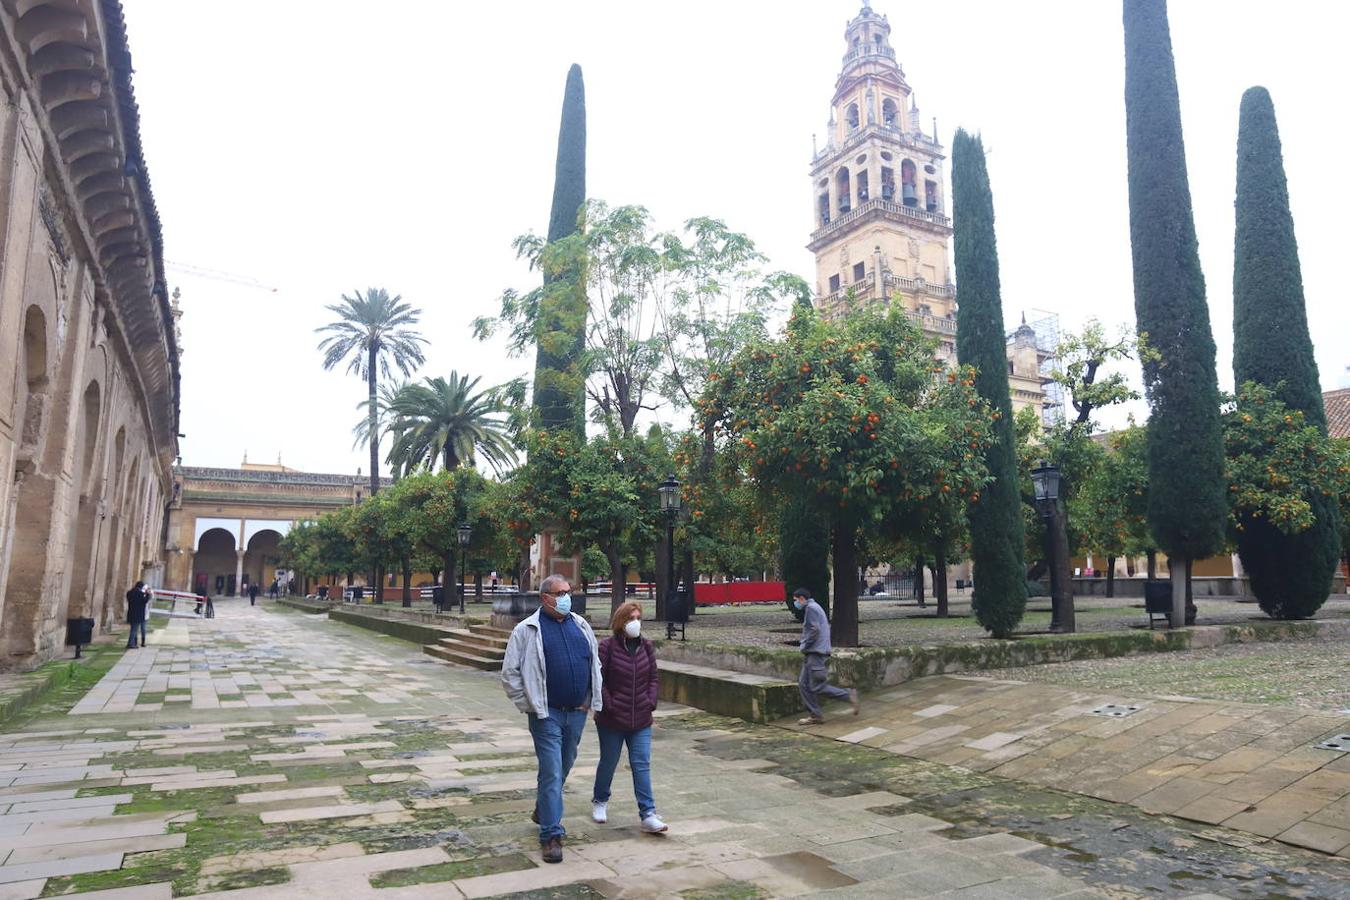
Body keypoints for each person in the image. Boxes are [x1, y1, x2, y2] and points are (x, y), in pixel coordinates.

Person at [500, 575, 603, 865]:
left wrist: (588, 701)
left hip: (577, 713)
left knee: (563, 766)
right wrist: (530, 704)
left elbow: (594, 663)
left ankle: (543, 808)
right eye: (561, 593)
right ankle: (551, 835)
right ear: (545, 597)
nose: (566, 597)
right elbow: (510, 674)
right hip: (547, 714)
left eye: (569, 592)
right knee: (552, 771)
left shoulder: (580, 625)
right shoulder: (526, 630)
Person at [592, 601, 667, 834]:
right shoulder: (607, 647)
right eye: (630, 618)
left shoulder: (646, 646)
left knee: (641, 764)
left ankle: (648, 813)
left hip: (641, 718)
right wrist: (610, 704)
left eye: (638, 617)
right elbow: (598, 679)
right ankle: (600, 800)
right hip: (612, 719)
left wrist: (650, 700)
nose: (635, 622)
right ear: (620, 622)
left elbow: (653, 677)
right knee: (609, 762)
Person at [793, 587, 859, 726]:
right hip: (813, 652)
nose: (795, 603)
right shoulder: (814, 607)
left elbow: (814, 630)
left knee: (817, 686)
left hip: (815, 652)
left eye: (796, 600)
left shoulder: (811, 608)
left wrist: (804, 645)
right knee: (803, 684)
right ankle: (815, 715)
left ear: (802, 599)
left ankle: (848, 695)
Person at [125, 581, 150, 649]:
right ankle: (130, 644)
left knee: (133, 629)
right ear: (141, 587)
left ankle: (133, 643)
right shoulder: (140, 594)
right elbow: (144, 601)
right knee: (134, 630)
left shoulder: (129, 593)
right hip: (138, 615)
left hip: (131, 613)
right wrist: (147, 594)